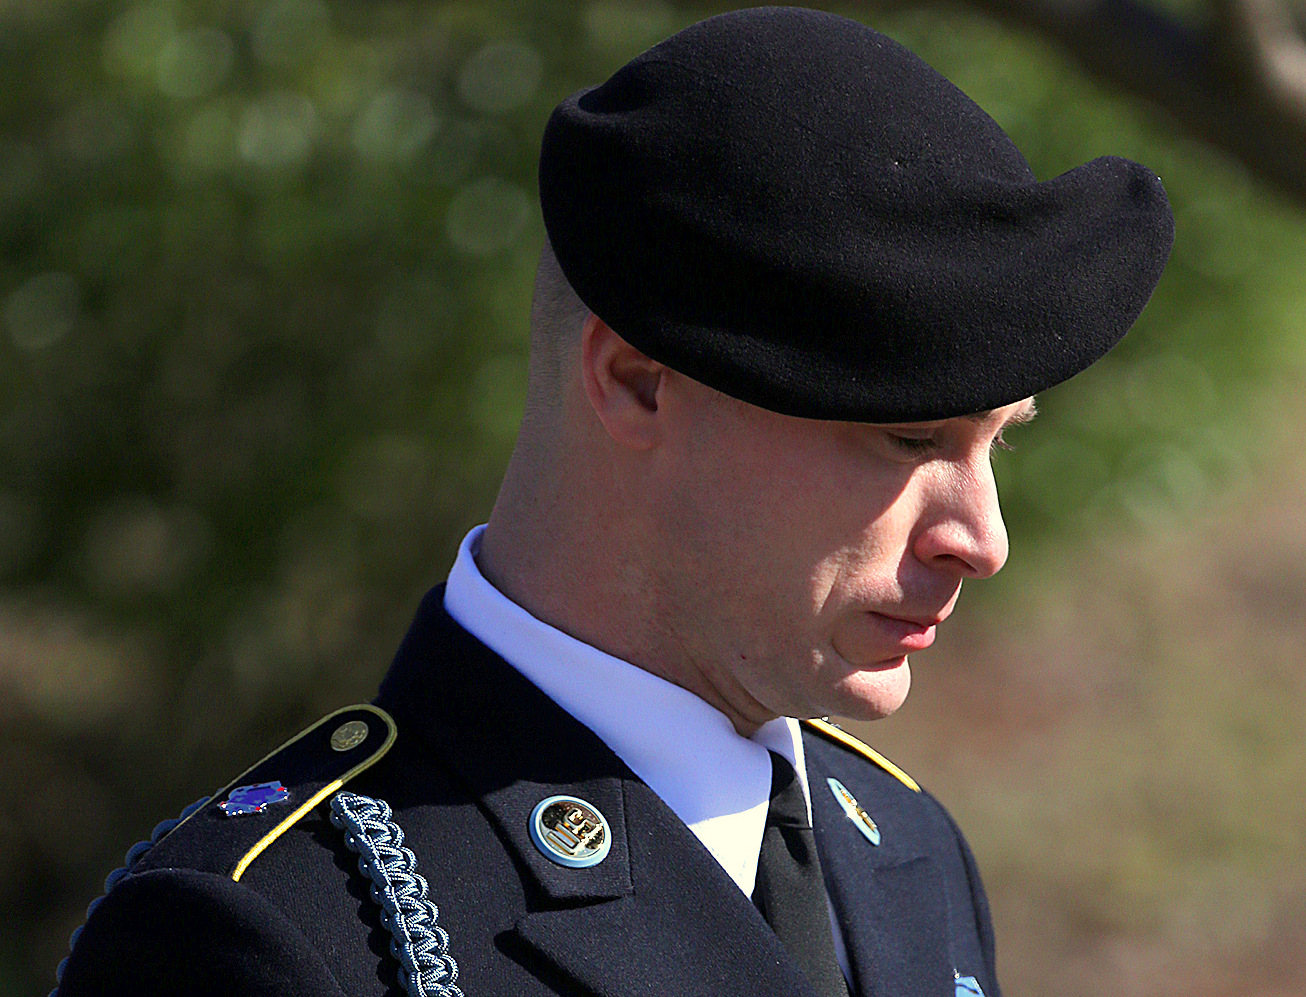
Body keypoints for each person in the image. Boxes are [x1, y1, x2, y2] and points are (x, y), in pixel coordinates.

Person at [53, 7, 1172, 997]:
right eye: (910, 436)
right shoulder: (283, 934)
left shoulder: (900, 848)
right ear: (637, 381)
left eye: (993, 445)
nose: (982, 538)